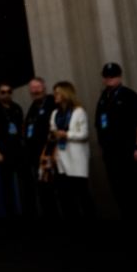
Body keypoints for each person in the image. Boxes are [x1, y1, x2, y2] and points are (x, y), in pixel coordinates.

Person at [95, 62, 137, 221]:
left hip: (132, 150)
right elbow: (99, 124)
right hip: (112, 153)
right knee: (120, 190)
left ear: (120, 76)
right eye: (107, 76)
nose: (110, 79)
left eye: (113, 76)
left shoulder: (130, 96)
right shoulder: (103, 99)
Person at [49, 81, 93, 220]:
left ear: (65, 93)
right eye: (54, 92)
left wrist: (66, 135)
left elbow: (84, 134)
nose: (54, 95)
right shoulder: (55, 113)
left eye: (57, 92)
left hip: (77, 160)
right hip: (62, 160)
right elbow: (52, 132)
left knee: (82, 195)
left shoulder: (78, 111)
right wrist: (53, 136)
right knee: (66, 197)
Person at [0, 83, 26, 218]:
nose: (6, 94)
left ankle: (28, 213)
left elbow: (22, 128)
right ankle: (11, 215)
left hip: (18, 151)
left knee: (24, 183)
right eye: (2, 92)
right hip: (3, 152)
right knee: (7, 186)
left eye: (9, 91)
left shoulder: (16, 108)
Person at [24, 77, 58, 218]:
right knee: (44, 190)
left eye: (37, 87)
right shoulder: (32, 107)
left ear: (44, 88)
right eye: (32, 88)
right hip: (36, 157)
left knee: (56, 188)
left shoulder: (51, 103)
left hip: (51, 154)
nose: (35, 90)